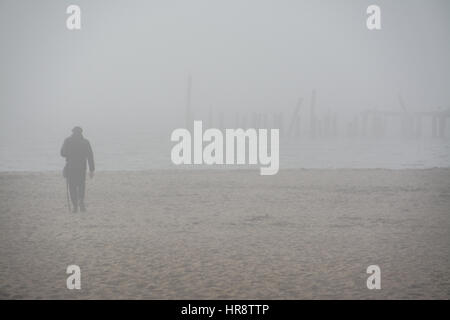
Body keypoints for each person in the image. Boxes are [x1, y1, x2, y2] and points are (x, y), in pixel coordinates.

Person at [61, 126, 95, 212]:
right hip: (81, 167)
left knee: (72, 186)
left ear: (72, 132)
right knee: (81, 185)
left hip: (71, 167)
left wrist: (69, 154)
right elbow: (90, 156)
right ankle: (81, 201)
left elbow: (62, 153)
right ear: (81, 133)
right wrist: (91, 169)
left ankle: (75, 206)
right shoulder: (85, 142)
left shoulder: (68, 141)